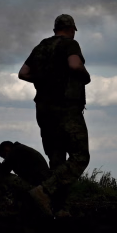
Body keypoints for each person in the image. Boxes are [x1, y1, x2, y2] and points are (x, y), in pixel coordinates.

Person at [18, 13, 91, 216]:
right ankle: (44, 191)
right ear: (71, 29)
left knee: (57, 160)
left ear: (55, 29)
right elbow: (75, 65)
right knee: (80, 156)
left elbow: (23, 73)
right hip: (66, 109)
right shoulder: (69, 44)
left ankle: (59, 208)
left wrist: (43, 79)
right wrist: (85, 75)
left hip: (44, 110)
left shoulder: (41, 47)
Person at [0, 141, 52, 209]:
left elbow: (3, 170)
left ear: (6, 150)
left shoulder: (14, 151)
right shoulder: (20, 150)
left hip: (37, 187)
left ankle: (9, 201)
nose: (5, 159)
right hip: (43, 184)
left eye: (4, 156)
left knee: (0, 176)